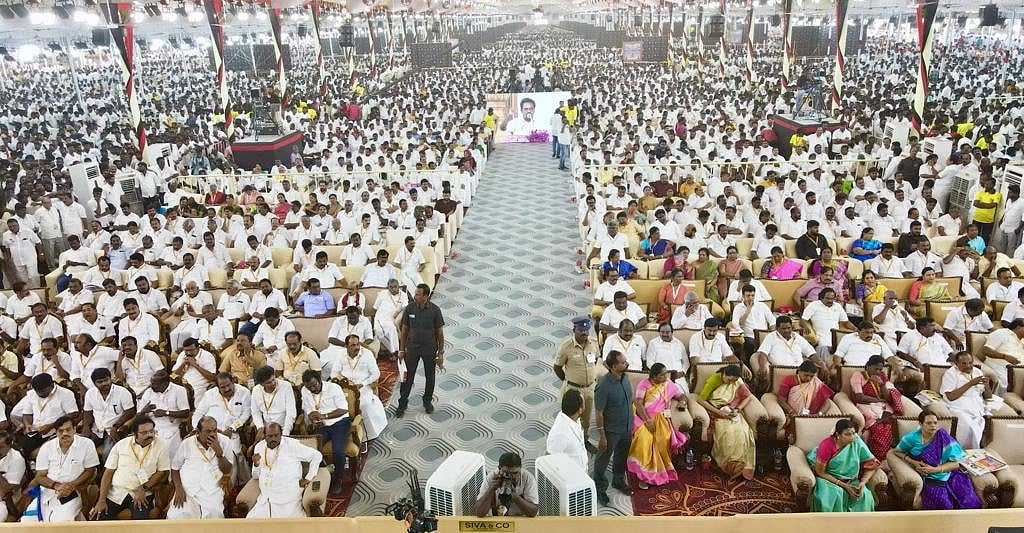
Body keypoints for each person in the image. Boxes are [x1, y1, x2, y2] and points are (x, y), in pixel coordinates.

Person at [892, 410, 983, 510]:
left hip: (948, 472)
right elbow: (897, 451)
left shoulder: (943, 436)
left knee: (969, 500)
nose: (933, 426)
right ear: (921, 424)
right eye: (929, 423)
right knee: (943, 504)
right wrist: (913, 462)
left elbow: (959, 462)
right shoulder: (911, 438)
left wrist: (936, 469)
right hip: (928, 477)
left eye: (935, 423)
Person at [92, 416, 170, 520]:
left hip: (143, 494)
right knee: (97, 518)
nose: (150, 435)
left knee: (140, 522)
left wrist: (144, 488)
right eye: (144, 433)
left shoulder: (161, 445)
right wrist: (101, 500)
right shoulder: (121, 445)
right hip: (117, 492)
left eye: (152, 431)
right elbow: (108, 473)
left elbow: (162, 472)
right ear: (134, 434)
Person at [626, 363, 688, 489]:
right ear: (654, 377)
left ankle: (660, 471)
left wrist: (682, 401)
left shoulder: (667, 383)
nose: (666, 376)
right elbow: (638, 403)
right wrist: (647, 421)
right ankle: (644, 476)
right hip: (643, 418)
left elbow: (681, 395)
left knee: (664, 437)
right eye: (662, 375)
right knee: (644, 440)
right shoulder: (644, 384)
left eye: (666, 373)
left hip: (662, 419)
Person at [29, 415, 99, 522]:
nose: (65, 433)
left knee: (62, 521)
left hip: (73, 491)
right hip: (48, 491)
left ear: (75, 429)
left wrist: (71, 485)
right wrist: (58, 486)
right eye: (60, 431)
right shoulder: (47, 448)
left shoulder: (86, 444)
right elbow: (40, 476)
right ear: (56, 432)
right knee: (27, 520)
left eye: (68, 429)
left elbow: (90, 470)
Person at [247, 422, 324, 518]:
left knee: (290, 524)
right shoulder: (259, 447)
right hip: (266, 497)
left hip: (288, 495)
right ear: (264, 436)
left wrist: (308, 478)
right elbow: (255, 476)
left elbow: (316, 456)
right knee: (252, 522)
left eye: (276, 435)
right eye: (270, 436)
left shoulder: (292, 445)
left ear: (281, 434)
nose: (273, 439)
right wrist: (256, 464)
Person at [696, 365, 756, 481]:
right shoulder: (714, 380)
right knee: (727, 434)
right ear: (724, 374)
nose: (730, 383)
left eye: (733, 381)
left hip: (732, 412)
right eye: (728, 380)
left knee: (743, 432)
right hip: (717, 412)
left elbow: (748, 397)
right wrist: (720, 412)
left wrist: (738, 409)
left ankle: (742, 465)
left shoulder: (737, 381)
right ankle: (730, 466)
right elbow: (701, 400)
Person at [806, 418, 880, 512]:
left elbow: (872, 464)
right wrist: (844, 486)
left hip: (852, 480)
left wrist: (863, 483)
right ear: (838, 434)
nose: (852, 437)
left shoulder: (856, 441)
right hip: (830, 480)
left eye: (853, 433)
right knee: (835, 495)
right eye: (847, 434)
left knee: (864, 495)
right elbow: (820, 472)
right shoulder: (826, 446)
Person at [167, 416, 233, 519]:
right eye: (208, 431)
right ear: (198, 431)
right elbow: (175, 468)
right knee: (176, 515)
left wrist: (220, 453)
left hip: (212, 489)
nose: (212, 434)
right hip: (187, 489)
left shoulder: (225, 442)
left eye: (214, 430)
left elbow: (227, 470)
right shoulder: (187, 443)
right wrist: (179, 488)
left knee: (214, 514)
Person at [553, 316, 603, 452]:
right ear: (574, 330)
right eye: (581, 330)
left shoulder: (593, 343)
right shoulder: (566, 346)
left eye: (586, 330)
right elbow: (557, 367)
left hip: (590, 388)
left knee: (586, 419)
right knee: (571, 419)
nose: (584, 333)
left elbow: (596, 359)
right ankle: (569, 443)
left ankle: (584, 440)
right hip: (573, 389)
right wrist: (567, 380)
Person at [396, 283, 445, 417]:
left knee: (430, 376)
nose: (415, 296)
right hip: (412, 348)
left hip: (429, 348)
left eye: (418, 294)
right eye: (415, 293)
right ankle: (402, 403)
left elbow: (440, 333)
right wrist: (401, 349)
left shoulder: (435, 310)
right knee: (407, 377)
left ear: (426, 296)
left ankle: (427, 401)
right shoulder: (410, 308)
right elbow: (404, 330)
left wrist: (440, 353)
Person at [300, 370, 350, 495]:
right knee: (311, 449)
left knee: (338, 451)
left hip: (339, 423)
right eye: (309, 387)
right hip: (321, 425)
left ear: (320, 379)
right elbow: (307, 407)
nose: (312, 388)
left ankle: (338, 479)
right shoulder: (305, 391)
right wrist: (311, 416)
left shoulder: (334, 388)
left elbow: (344, 409)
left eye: (314, 385)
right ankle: (319, 473)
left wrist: (324, 416)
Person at [593, 350, 633, 505]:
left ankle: (618, 480)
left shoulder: (626, 378)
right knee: (602, 460)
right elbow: (599, 413)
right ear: (613, 367)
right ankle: (600, 489)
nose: (626, 364)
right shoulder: (603, 386)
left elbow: (629, 402)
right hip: (611, 431)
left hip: (627, 427)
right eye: (623, 363)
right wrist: (602, 436)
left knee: (621, 456)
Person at [851, 355, 905, 460]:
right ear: (868, 366)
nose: (878, 371)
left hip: (881, 406)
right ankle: (878, 457)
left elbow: (888, 398)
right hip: (865, 406)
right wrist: (877, 400)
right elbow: (859, 397)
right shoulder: (858, 375)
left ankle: (890, 457)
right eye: (876, 368)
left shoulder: (882, 377)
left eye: (880, 369)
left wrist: (882, 385)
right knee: (878, 428)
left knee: (891, 424)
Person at [940, 351, 993, 449]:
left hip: (977, 406)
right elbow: (951, 396)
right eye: (964, 363)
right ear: (956, 364)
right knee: (969, 427)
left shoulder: (977, 372)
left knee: (986, 426)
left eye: (970, 363)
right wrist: (970, 384)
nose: (968, 366)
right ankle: (966, 453)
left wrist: (987, 386)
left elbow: (988, 396)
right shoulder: (950, 373)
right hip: (958, 406)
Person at [473, 452, 538, 517]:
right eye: (506, 473)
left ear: (520, 468)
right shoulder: (491, 477)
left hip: (520, 519)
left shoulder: (527, 478)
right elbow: (479, 512)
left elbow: (533, 512)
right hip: (497, 519)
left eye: (515, 473)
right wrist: (491, 490)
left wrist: (516, 498)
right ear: (499, 468)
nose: (510, 476)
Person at [546, 389, 588, 471]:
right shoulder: (560, 434)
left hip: (581, 471)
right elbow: (551, 459)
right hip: (571, 476)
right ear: (579, 410)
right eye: (584, 403)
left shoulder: (573, 417)